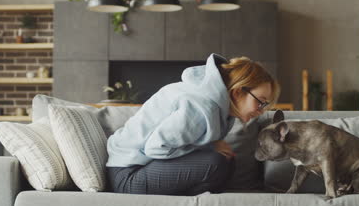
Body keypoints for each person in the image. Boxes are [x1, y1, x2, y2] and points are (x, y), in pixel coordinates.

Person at [106, 53, 280, 195]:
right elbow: (156, 148)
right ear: (237, 92)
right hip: (128, 174)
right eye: (261, 102)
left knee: (226, 162)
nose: (261, 110)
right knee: (215, 162)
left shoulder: (222, 108)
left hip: (142, 166)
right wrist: (209, 147)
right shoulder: (199, 107)